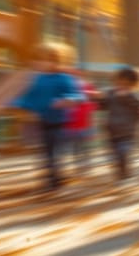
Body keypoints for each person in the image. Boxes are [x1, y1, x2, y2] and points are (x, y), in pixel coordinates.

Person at [13, 42, 85, 191]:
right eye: (37, 60)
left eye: (44, 60)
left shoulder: (63, 78)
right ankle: (54, 178)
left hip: (59, 121)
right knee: (46, 151)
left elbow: (78, 95)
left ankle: (53, 180)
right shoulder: (36, 79)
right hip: (42, 121)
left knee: (53, 151)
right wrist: (15, 103)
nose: (40, 63)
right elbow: (29, 98)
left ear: (55, 61)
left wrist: (68, 100)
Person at [97, 66, 139, 180]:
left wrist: (129, 98)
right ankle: (122, 172)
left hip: (128, 132)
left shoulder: (134, 95)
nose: (122, 86)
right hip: (112, 131)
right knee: (115, 155)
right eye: (119, 83)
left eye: (126, 84)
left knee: (124, 152)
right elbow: (102, 105)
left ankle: (126, 171)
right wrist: (98, 98)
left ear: (133, 84)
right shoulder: (111, 93)